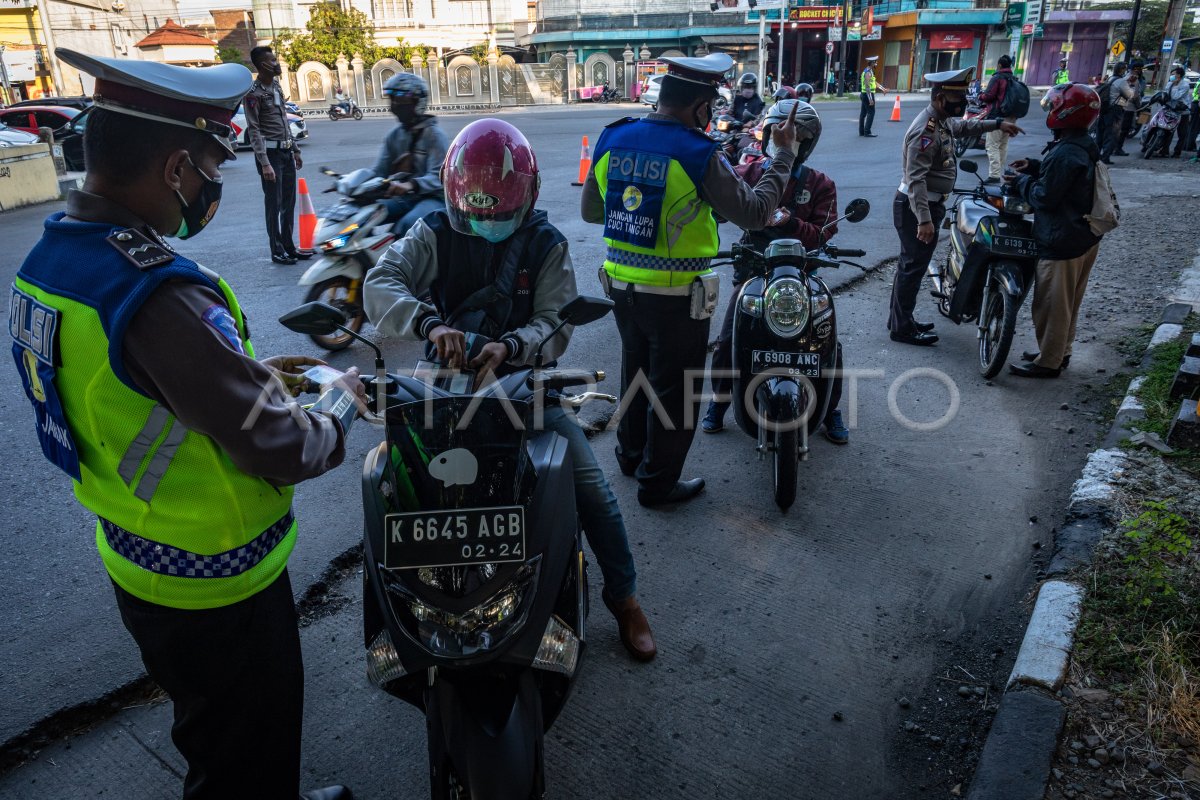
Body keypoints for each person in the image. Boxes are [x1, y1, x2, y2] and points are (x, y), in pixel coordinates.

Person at [11, 48, 359, 800]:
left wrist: (245, 376)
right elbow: (283, 444)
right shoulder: (156, 295)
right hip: (218, 582)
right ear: (174, 168)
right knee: (246, 749)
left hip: (138, 551)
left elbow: (136, 393)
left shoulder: (51, 259)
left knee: (212, 727)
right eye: (210, 168)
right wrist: (338, 402)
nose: (211, 187)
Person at [363, 119, 657, 662]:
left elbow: (558, 321)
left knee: (593, 491)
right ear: (456, 198)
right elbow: (380, 282)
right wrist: (431, 326)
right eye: (476, 213)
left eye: (499, 214)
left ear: (527, 197)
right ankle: (400, 613)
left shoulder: (546, 243)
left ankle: (626, 599)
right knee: (393, 487)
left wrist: (513, 346)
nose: (487, 223)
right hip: (445, 387)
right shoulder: (432, 232)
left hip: (526, 387)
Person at [580, 53, 800, 506]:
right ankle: (657, 485)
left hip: (620, 289)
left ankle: (630, 456)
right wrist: (783, 155)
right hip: (677, 298)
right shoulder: (699, 153)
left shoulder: (613, 137)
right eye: (711, 106)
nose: (713, 115)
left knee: (636, 375)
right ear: (700, 106)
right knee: (675, 393)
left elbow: (591, 211)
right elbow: (756, 214)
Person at [701, 100, 848, 444]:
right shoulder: (749, 173)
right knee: (727, 339)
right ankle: (720, 401)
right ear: (765, 133)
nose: (782, 138)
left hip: (803, 275)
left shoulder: (821, 184)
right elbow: (720, 209)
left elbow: (825, 233)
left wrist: (791, 222)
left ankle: (830, 410)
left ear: (805, 143)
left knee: (828, 344)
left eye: (793, 135)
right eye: (775, 131)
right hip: (754, 272)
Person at [890, 67, 1023, 346]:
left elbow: (964, 127)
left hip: (924, 205)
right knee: (913, 267)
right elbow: (916, 179)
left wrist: (997, 124)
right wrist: (924, 220)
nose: (962, 102)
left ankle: (900, 320)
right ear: (939, 98)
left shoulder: (942, 121)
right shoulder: (925, 132)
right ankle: (902, 328)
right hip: (917, 207)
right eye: (957, 97)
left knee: (909, 265)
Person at [1005, 82, 1104, 378]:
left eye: (1054, 106)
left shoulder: (1066, 152)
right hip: (1084, 238)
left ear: (1067, 113)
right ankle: (1060, 351)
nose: (1050, 111)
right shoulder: (1082, 143)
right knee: (1069, 303)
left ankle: (1048, 362)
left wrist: (1021, 182)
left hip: (1062, 240)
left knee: (1051, 305)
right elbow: (1065, 179)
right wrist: (1036, 166)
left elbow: (1045, 197)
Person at [245, 45, 305, 265]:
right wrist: (264, 163)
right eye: (272, 60)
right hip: (270, 155)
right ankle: (276, 250)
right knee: (274, 203)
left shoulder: (277, 88)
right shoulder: (254, 94)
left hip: (286, 151)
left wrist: (295, 149)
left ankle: (289, 246)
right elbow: (254, 129)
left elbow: (285, 122)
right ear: (262, 65)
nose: (276, 63)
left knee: (288, 203)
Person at [371, 72, 448, 235]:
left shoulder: (434, 136)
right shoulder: (395, 135)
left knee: (408, 224)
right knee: (368, 212)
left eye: (401, 100)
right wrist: (351, 183)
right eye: (393, 100)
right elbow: (379, 171)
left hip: (433, 198)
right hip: (404, 197)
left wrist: (411, 184)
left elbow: (440, 177)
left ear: (417, 102)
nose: (395, 105)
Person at [979, 55, 1018, 183]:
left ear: (999, 65)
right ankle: (997, 172)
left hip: (997, 115)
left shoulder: (998, 78)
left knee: (991, 145)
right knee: (1003, 144)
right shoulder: (1013, 78)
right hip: (1011, 116)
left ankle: (994, 175)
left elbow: (989, 95)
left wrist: (981, 96)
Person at [1096, 61, 1133, 164]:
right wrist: (1131, 84)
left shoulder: (1110, 79)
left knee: (1100, 133)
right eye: (1125, 69)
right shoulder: (1121, 81)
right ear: (1122, 70)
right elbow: (1130, 95)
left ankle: (1096, 155)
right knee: (1111, 134)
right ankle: (1105, 157)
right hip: (1114, 110)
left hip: (1104, 108)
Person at [1115, 60, 1146, 156]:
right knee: (1123, 130)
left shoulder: (1125, 77)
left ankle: (1114, 148)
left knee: (1118, 129)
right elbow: (1134, 95)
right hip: (1129, 107)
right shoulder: (1133, 79)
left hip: (1121, 105)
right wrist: (1138, 106)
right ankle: (1118, 149)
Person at [1164, 66, 1193, 158]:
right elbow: (1166, 94)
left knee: (1182, 133)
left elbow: (1175, 97)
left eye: (1173, 74)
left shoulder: (1185, 85)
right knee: (1168, 131)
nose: (1172, 76)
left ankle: (1177, 152)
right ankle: (1164, 150)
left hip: (1183, 111)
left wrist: (1175, 86)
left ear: (1178, 75)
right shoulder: (1169, 84)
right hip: (1171, 110)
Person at [859, 55, 887, 137]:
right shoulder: (868, 72)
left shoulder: (869, 71)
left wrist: (883, 89)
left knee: (863, 114)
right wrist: (870, 99)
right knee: (871, 113)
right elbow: (867, 86)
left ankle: (862, 132)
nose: (876, 63)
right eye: (875, 62)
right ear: (872, 63)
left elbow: (874, 82)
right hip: (868, 95)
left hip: (864, 95)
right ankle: (867, 132)